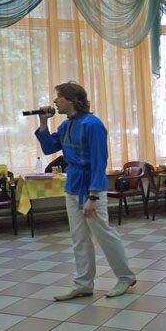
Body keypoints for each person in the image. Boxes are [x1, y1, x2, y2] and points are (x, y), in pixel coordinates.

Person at [35, 81, 136, 300]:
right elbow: (49, 147)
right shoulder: (66, 125)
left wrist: (93, 196)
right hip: (72, 186)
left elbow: (99, 162)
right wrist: (43, 123)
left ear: (71, 99)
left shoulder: (93, 124)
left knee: (104, 234)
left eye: (59, 97)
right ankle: (83, 284)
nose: (55, 101)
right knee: (79, 238)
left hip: (91, 188)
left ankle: (125, 277)